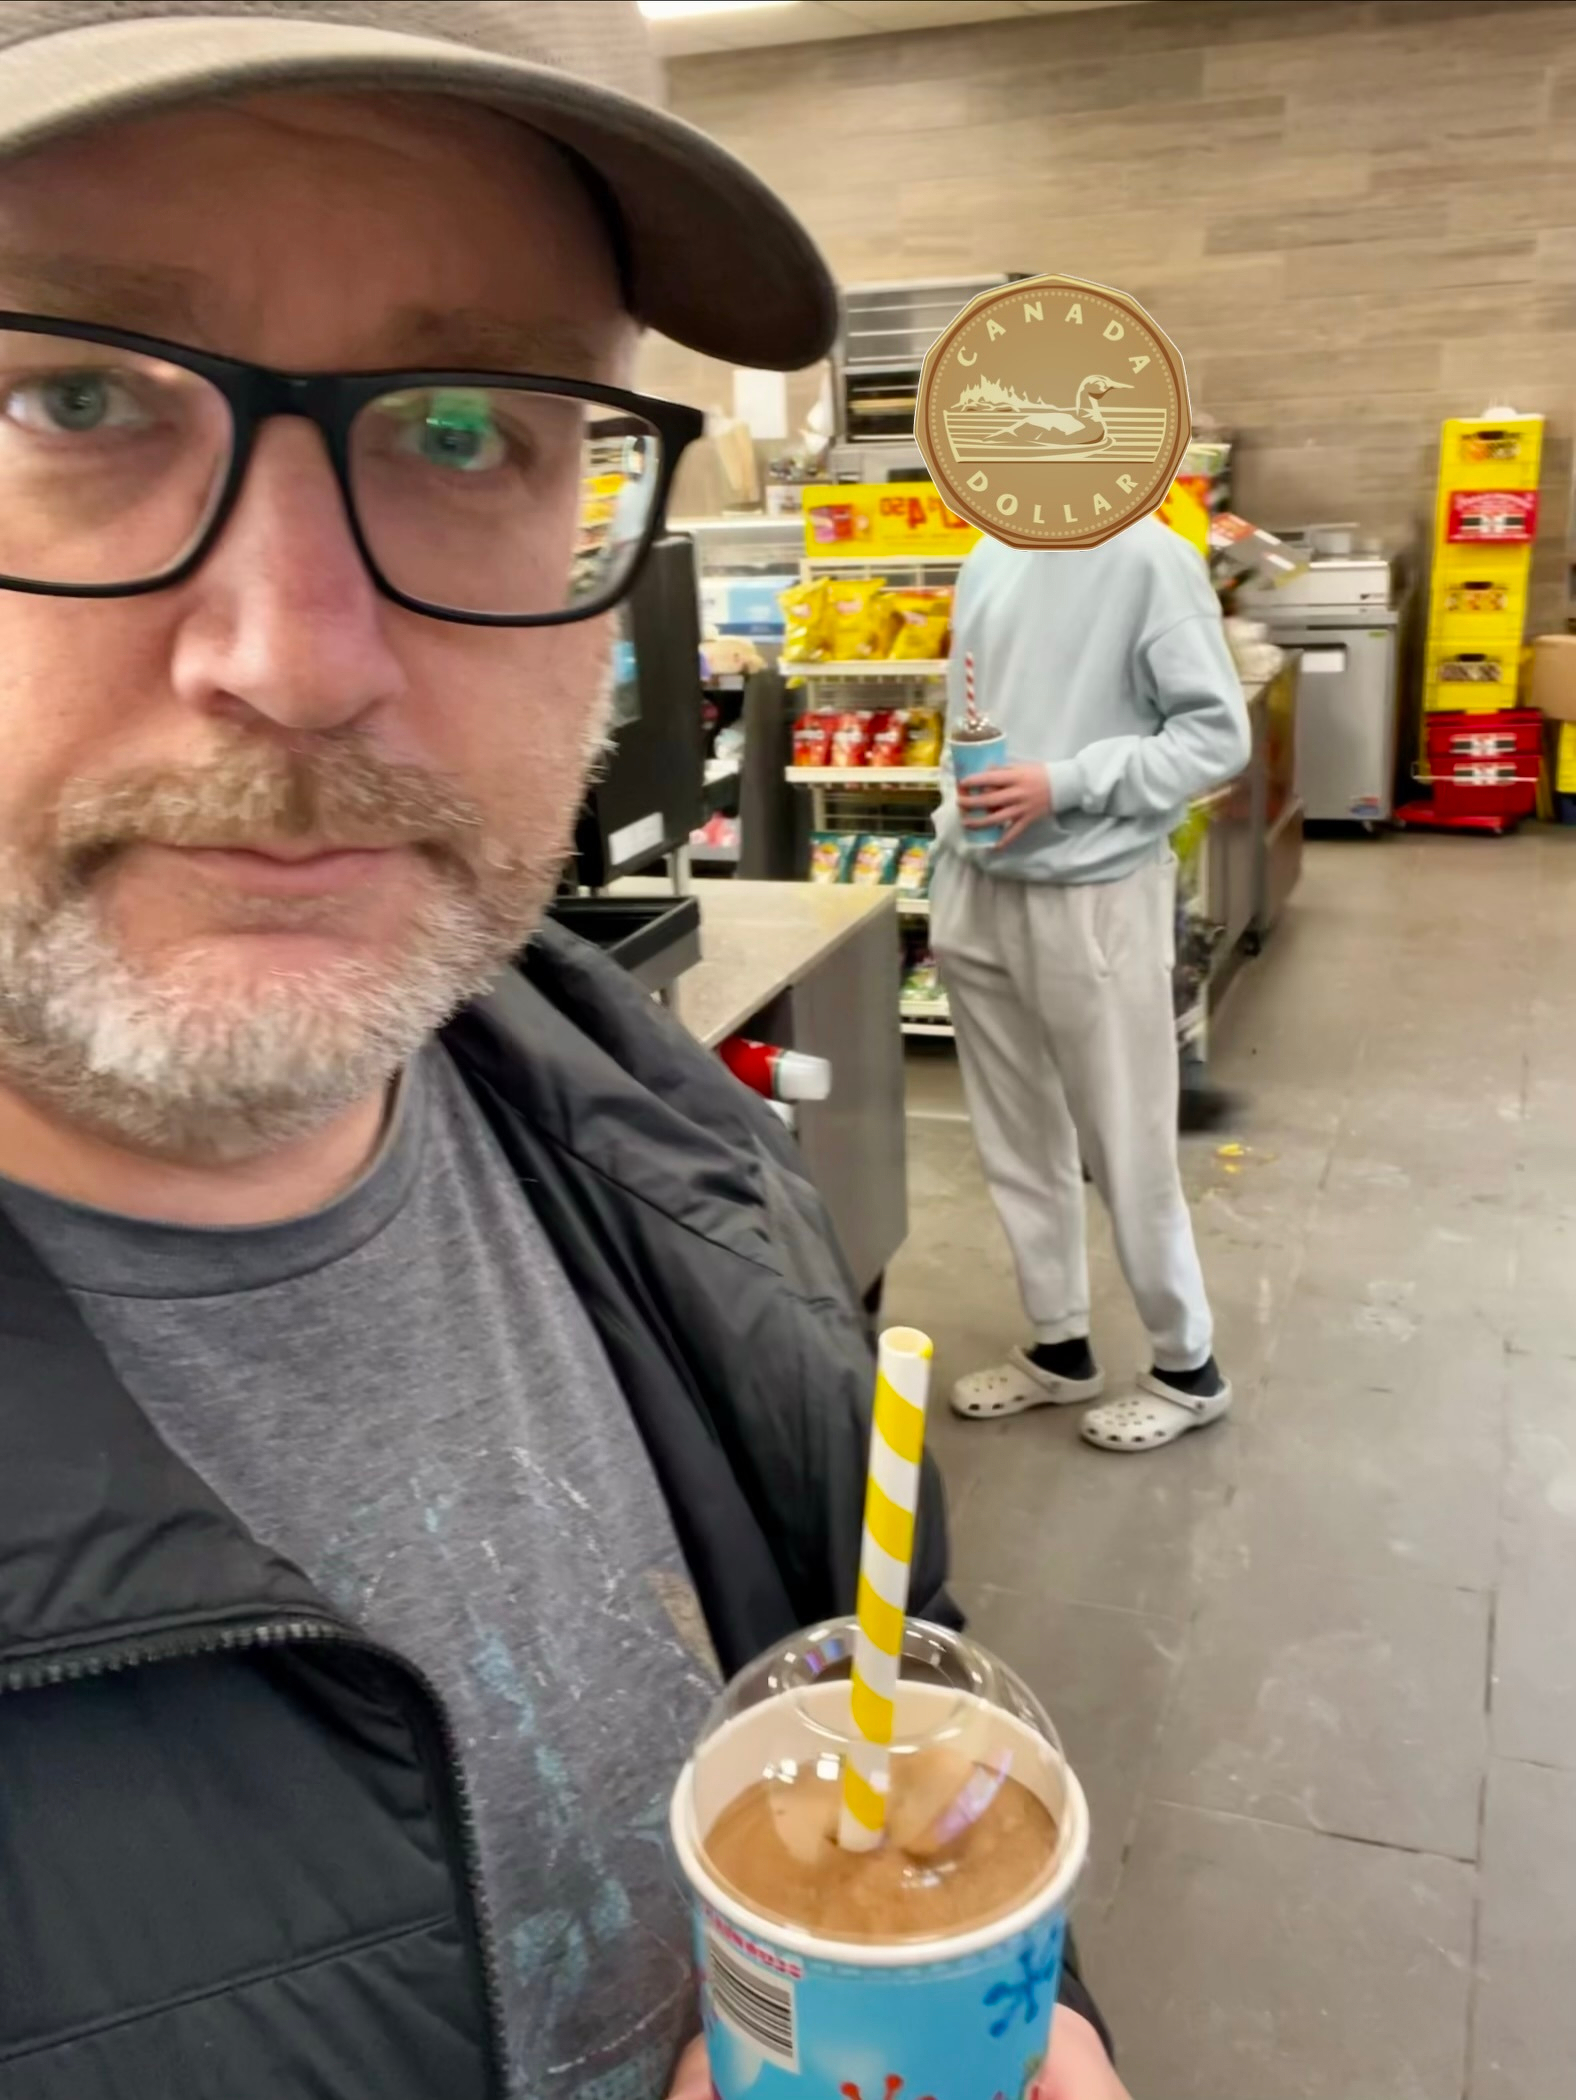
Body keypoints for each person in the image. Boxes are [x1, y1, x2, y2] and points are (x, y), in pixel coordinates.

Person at [0, 4, 1123, 2096]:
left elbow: (876, 1830)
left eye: (460, 430)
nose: (301, 661)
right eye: (70, 396)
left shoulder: (660, 1155)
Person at [934, 516, 1250, 1454]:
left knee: (1127, 1139)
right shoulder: (990, 552)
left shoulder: (1151, 557)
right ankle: (1058, 1346)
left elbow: (1212, 736)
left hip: (1095, 892)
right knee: (1015, 1134)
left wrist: (1067, 781)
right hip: (976, 879)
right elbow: (977, 706)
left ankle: (1188, 1367)